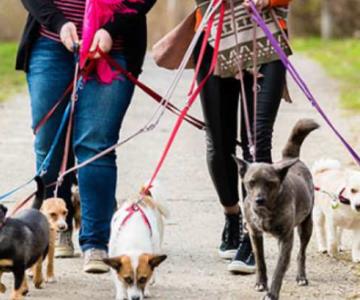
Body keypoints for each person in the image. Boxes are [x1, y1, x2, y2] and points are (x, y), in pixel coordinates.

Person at [16, 0, 156, 273]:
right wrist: (58, 22)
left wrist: (111, 28)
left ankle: (96, 241)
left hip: (113, 47)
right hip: (51, 42)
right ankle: (56, 227)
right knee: (49, 144)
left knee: (95, 145)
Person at [194, 0, 292, 273]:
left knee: (257, 139)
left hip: (266, 34)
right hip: (214, 39)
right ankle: (232, 215)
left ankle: (253, 231)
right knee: (219, 141)